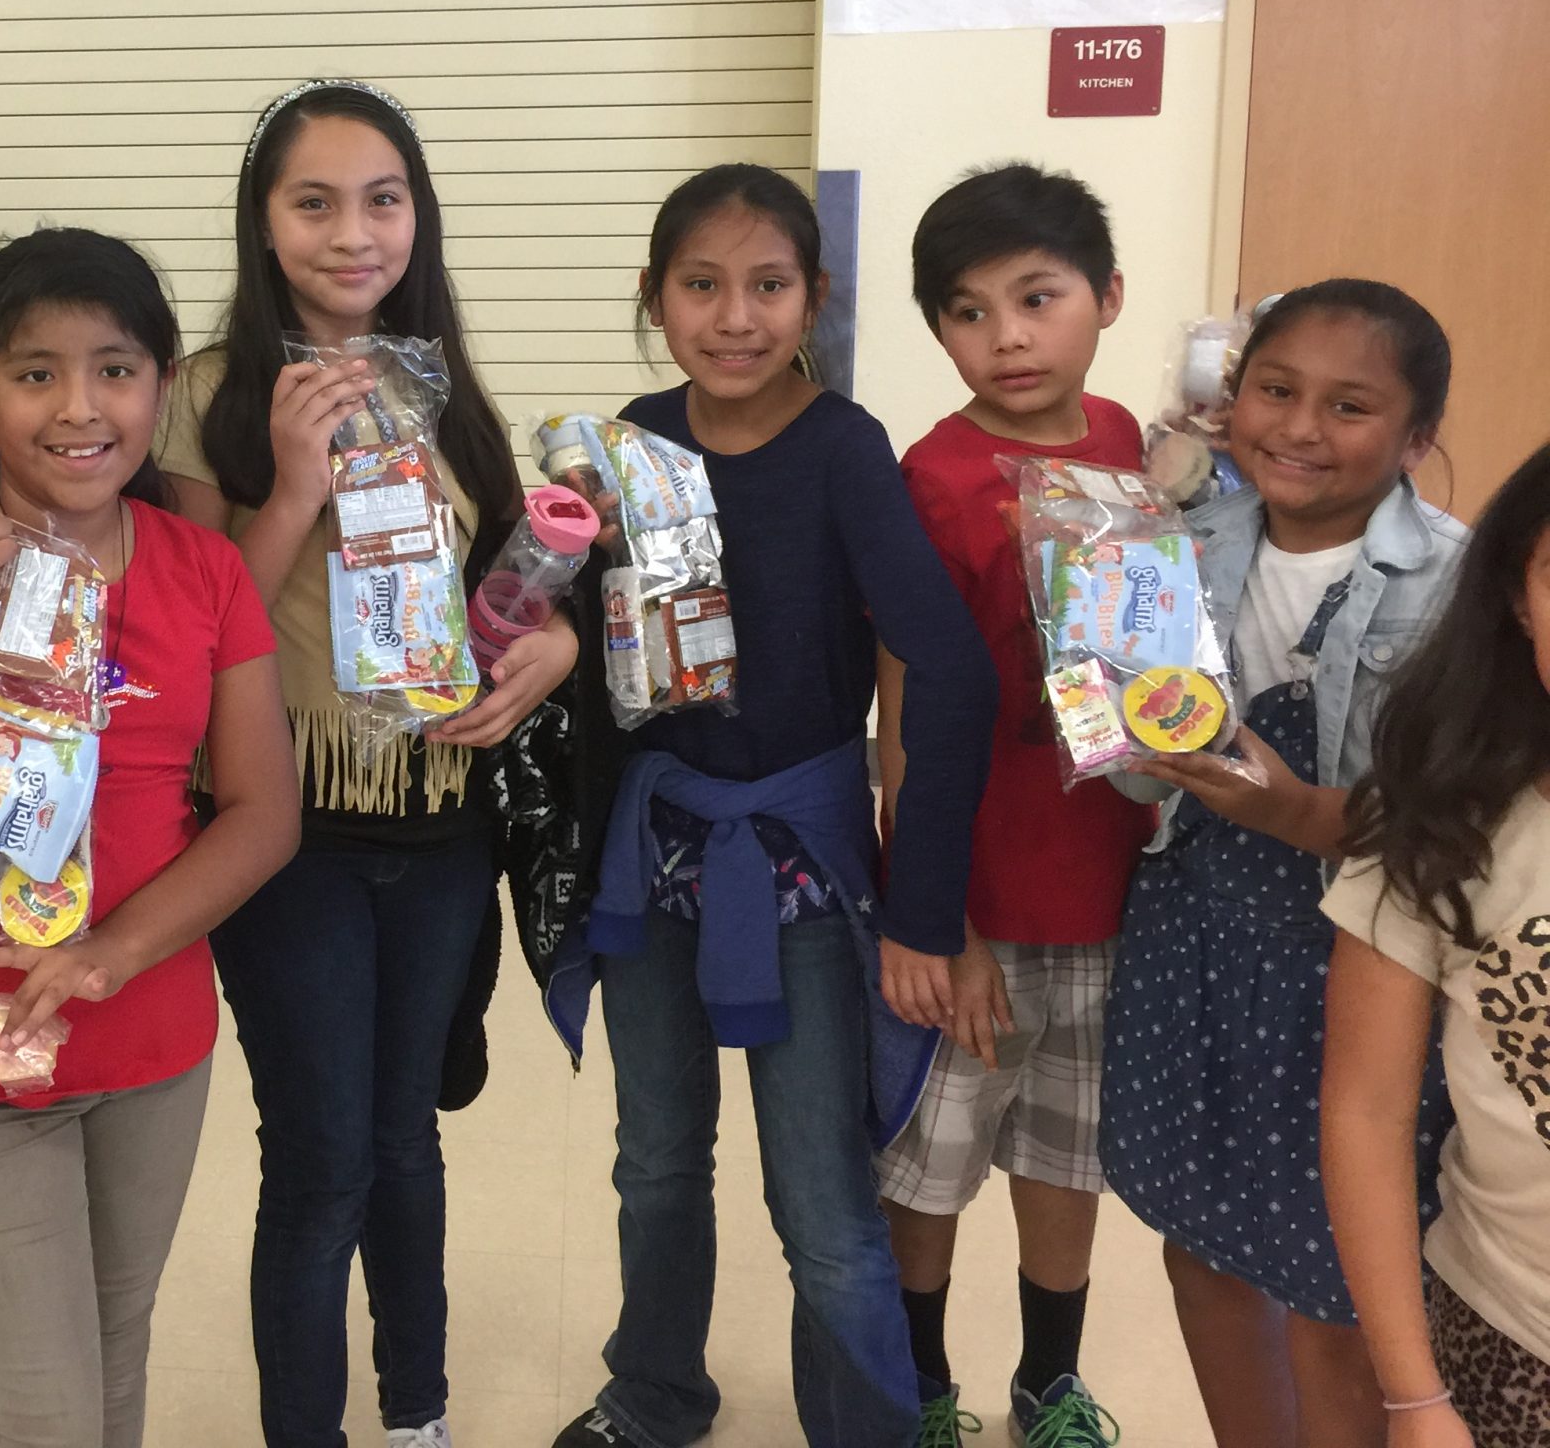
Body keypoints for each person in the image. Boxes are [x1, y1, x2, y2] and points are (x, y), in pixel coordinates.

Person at [0, 227, 298, 1448]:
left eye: (115, 369)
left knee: (111, 1367)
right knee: (43, 1410)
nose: (79, 409)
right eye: (35, 373)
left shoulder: (201, 570)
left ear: (162, 383)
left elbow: (263, 813)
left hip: (150, 1037)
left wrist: (111, 953)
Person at [551, 164, 995, 1448]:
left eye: (767, 286)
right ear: (656, 298)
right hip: (656, 859)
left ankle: (866, 1428)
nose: (734, 317)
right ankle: (653, 1395)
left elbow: (947, 667)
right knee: (653, 1163)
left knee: (822, 1203)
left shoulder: (844, 450)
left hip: (800, 863)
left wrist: (924, 910)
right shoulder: (625, 446)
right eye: (701, 286)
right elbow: (567, 647)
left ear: (812, 300)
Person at [157, 79, 569, 1448]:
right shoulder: (204, 395)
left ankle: (420, 1416)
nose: (353, 233)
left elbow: (514, 584)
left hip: (444, 823)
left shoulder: (439, 386)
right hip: (292, 832)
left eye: (381, 199)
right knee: (321, 1157)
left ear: (418, 216)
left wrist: (548, 653)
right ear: (264, 225)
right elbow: (193, 627)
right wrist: (291, 490)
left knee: (406, 1139)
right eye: (314, 201)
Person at [1100, 279, 1463, 1448]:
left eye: (1349, 406)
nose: (1300, 428)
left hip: (1355, 966)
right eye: (1274, 389)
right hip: (1193, 936)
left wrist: (1300, 812)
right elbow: (1135, 774)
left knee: (1334, 1290)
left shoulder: (1458, 586)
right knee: (1202, 1248)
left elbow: (1455, 818)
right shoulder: (1177, 541)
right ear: (1230, 396)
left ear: (1414, 440)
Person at [872, 165, 1148, 1444]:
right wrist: (941, 919)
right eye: (968, 312)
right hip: (976, 892)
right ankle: (921, 1387)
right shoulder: (929, 475)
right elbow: (902, 716)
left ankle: (1051, 1381)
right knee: (929, 1164)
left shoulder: (1131, 448)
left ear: (1106, 297)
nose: (1007, 337)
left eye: (1037, 298)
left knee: (1062, 1153)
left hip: (1107, 879)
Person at [1323, 438, 1550, 1448]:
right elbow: (1365, 1111)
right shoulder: (1446, 820)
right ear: (1517, 594)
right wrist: (1414, 1399)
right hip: (1507, 1337)